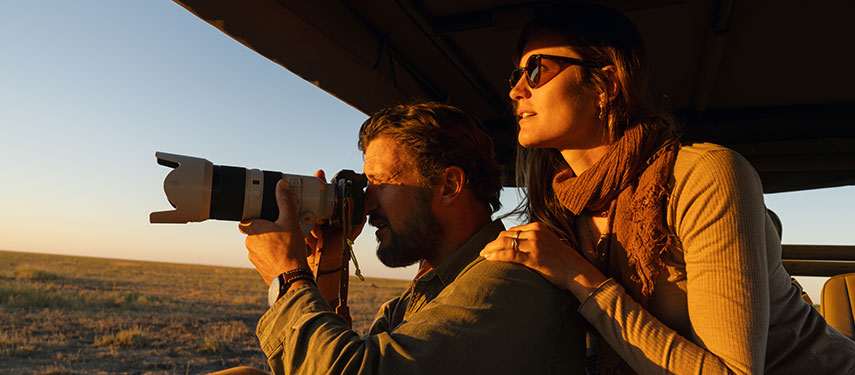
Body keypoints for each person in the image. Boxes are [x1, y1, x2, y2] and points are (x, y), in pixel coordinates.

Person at [479, 4, 855, 375]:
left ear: (606, 84)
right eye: (515, 76)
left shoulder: (700, 176)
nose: (516, 91)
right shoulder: (564, 209)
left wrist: (580, 277)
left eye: (536, 70)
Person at [234, 102, 586, 374]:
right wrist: (327, 261)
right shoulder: (422, 296)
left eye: (381, 183)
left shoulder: (512, 279)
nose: (368, 202)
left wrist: (289, 276)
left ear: (449, 185)